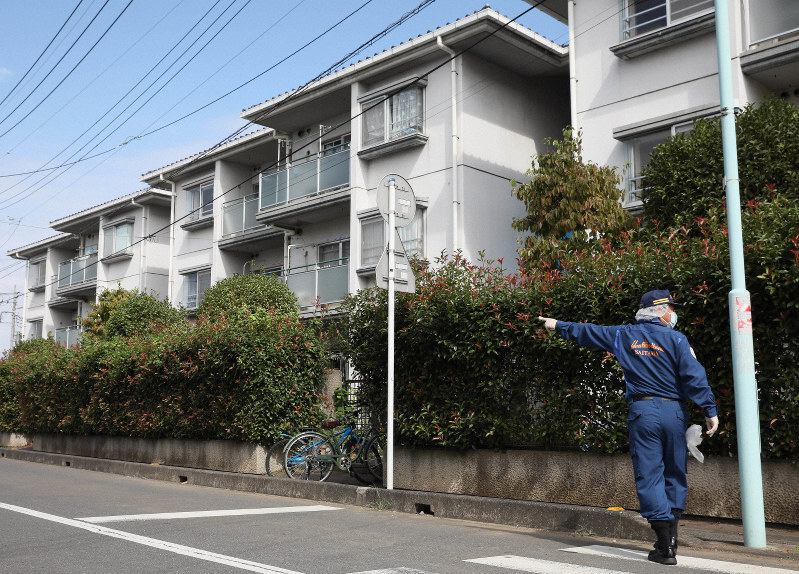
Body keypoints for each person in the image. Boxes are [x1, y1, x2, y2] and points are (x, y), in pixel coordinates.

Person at [538, 289, 719, 566]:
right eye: (670, 307)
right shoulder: (678, 340)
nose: (673, 312)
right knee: (674, 469)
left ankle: (664, 544)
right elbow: (695, 376)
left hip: (643, 411)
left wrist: (557, 325)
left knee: (649, 473)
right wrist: (709, 410)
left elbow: (589, 332)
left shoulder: (624, 335)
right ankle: (672, 538)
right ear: (659, 310)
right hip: (673, 411)